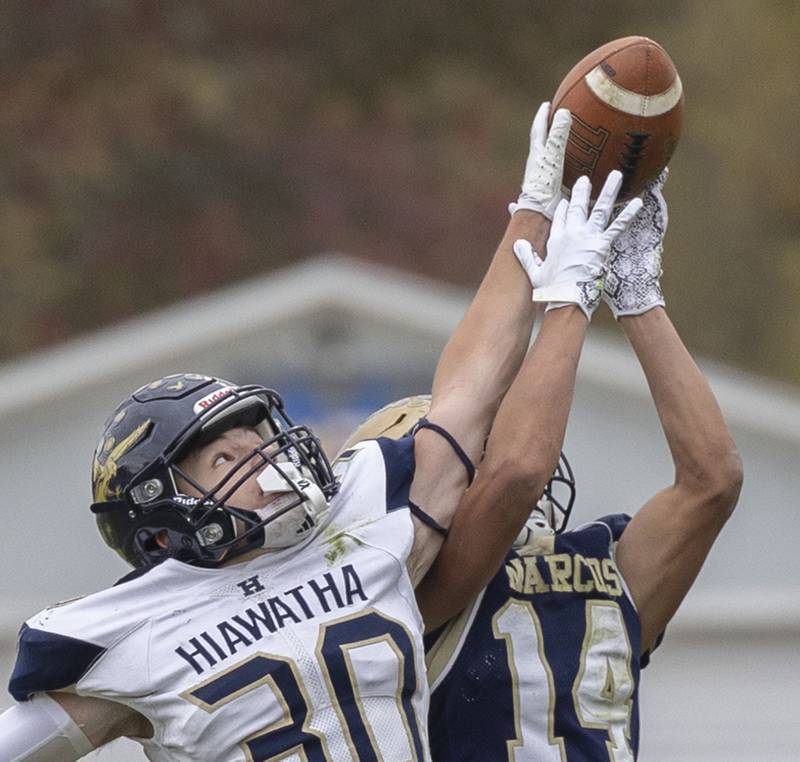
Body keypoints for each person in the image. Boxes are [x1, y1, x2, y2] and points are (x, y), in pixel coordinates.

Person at [0, 103, 642, 760]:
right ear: (162, 527)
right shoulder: (132, 631)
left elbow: (470, 390)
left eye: (257, 436)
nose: (260, 455)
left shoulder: (361, 522)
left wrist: (531, 213)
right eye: (224, 456)